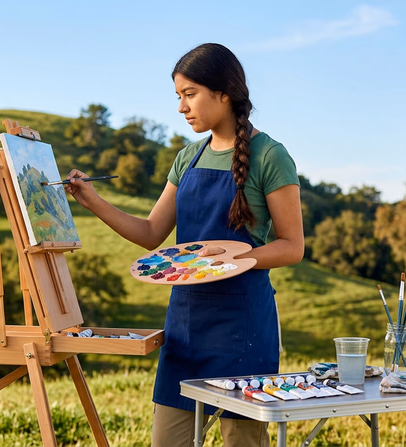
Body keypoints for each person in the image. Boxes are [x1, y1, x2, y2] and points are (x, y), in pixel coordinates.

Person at [64, 43, 304, 447]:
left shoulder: (270, 156)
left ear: (224, 92)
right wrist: (92, 200)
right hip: (186, 325)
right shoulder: (187, 158)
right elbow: (150, 233)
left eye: (189, 94)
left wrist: (233, 256)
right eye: (178, 96)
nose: (181, 107)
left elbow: (292, 246)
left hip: (242, 327)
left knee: (242, 440)